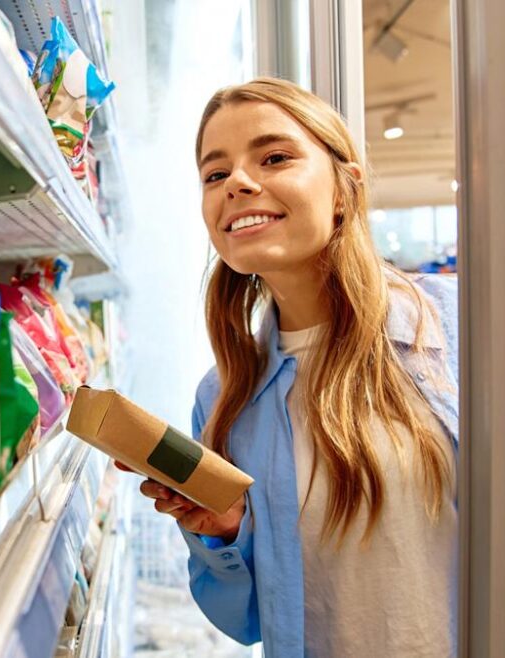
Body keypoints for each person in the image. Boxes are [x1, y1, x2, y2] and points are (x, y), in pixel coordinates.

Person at [126, 77, 460, 657]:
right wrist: (227, 533)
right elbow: (247, 618)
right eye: (215, 173)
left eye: (275, 157)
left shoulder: (454, 324)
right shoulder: (226, 394)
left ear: (344, 188)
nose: (239, 184)